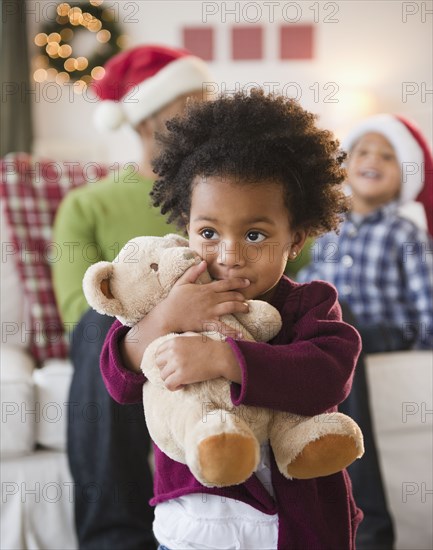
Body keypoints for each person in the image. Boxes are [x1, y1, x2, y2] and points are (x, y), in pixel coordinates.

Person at [99, 89, 364, 549]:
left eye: (255, 234)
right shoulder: (170, 299)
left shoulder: (309, 304)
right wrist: (164, 317)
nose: (230, 256)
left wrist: (226, 361)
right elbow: (118, 379)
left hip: (293, 528)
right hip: (193, 526)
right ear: (185, 228)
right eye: (208, 233)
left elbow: (328, 375)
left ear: (295, 239)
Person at [52, 45, 213, 550]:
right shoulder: (87, 205)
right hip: (131, 344)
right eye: (186, 107)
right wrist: (168, 315)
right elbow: (81, 313)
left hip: (228, 323)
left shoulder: (227, 193)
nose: (202, 120)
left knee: (332, 308)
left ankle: (362, 531)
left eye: (205, 104)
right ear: (144, 119)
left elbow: (297, 260)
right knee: (99, 330)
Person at [297, 113, 433, 549]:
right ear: (345, 164)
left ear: (403, 175)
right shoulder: (327, 229)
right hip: (336, 328)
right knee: (324, 313)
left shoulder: (403, 231)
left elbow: (426, 296)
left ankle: (371, 525)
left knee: (340, 313)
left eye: (387, 156)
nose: (372, 160)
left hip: (386, 330)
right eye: (363, 152)